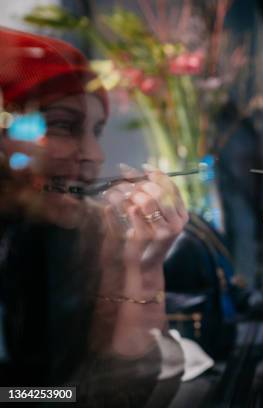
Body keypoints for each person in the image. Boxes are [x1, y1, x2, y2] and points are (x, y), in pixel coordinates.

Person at [0, 27, 188, 406]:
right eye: (63, 126)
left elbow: (112, 395)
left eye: (96, 131)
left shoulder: (83, 238)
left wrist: (144, 270)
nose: (95, 155)